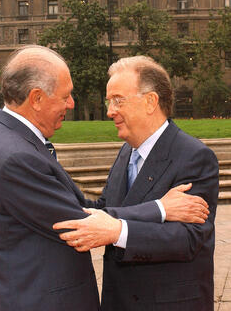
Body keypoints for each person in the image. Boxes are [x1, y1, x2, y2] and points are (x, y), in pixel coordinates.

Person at [53, 56, 219, 311]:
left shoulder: (195, 156)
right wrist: (51, 180)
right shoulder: (127, 151)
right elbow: (107, 207)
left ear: (151, 101)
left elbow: (188, 238)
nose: (110, 111)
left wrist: (117, 232)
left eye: (118, 100)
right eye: (108, 102)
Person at [0, 45, 101, 311]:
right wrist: (160, 210)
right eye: (66, 95)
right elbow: (81, 223)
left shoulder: (7, 138)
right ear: (37, 98)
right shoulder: (16, 157)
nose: (72, 103)